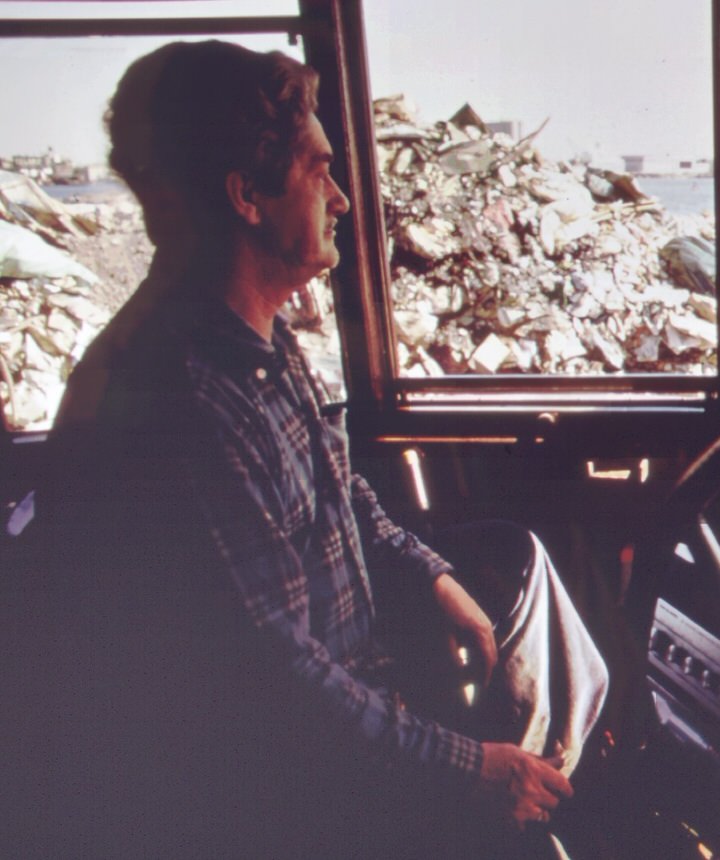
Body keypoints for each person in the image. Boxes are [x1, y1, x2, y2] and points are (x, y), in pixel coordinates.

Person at [35, 39, 607, 857]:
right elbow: (278, 686)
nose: (341, 199)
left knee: (513, 560)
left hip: (346, 717)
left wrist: (431, 575)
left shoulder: (257, 337)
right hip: (284, 795)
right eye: (318, 172)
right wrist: (472, 770)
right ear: (246, 196)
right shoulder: (182, 400)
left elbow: (340, 493)